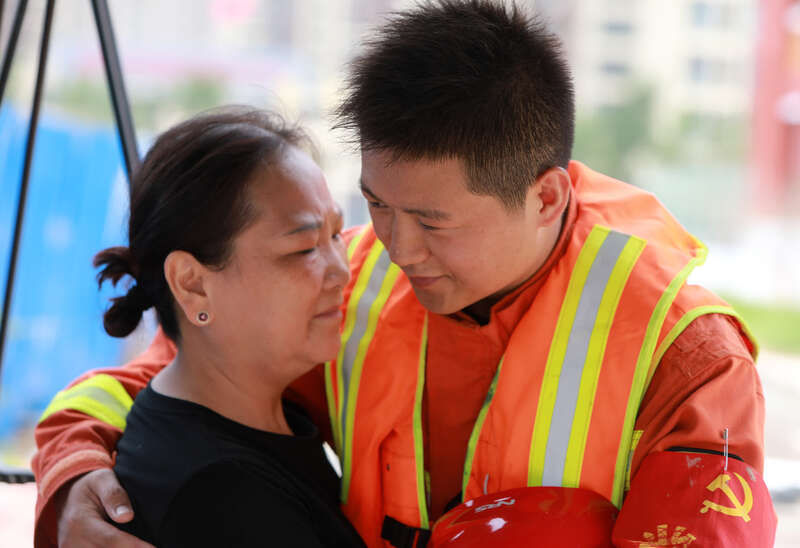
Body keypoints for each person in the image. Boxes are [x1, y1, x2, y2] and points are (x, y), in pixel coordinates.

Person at [32, 1, 776, 547]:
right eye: (377, 204)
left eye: (433, 221)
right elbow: (179, 369)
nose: (396, 247)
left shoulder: (684, 357)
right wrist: (70, 472)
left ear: (545, 195)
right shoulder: (346, 279)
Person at [48, 106, 365, 547]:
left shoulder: (265, 419)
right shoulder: (221, 494)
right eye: (304, 247)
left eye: (336, 235)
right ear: (192, 284)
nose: (342, 270)